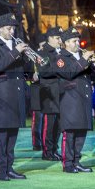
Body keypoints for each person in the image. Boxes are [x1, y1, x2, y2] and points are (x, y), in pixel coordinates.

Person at [0, 13, 29, 181]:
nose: (12, 31)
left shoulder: (15, 44)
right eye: (9, 28)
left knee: (12, 135)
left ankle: (9, 167)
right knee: (1, 136)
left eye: (13, 28)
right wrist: (16, 51)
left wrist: (26, 55)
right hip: (2, 96)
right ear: (0, 29)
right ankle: (0, 171)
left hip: (16, 95)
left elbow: (23, 67)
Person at [54, 27, 95, 173]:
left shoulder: (81, 56)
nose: (77, 43)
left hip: (83, 98)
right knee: (70, 133)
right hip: (70, 100)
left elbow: (92, 75)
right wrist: (84, 60)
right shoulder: (60, 58)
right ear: (65, 43)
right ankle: (68, 164)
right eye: (73, 41)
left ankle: (77, 161)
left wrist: (94, 65)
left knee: (81, 132)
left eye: (78, 40)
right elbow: (69, 73)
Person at [37, 27, 64, 161]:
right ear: (50, 38)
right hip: (49, 93)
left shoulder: (61, 51)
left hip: (61, 93)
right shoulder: (43, 52)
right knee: (49, 125)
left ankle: (54, 149)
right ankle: (47, 151)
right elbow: (43, 71)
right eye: (58, 38)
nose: (60, 40)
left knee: (58, 125)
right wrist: (60, 68)